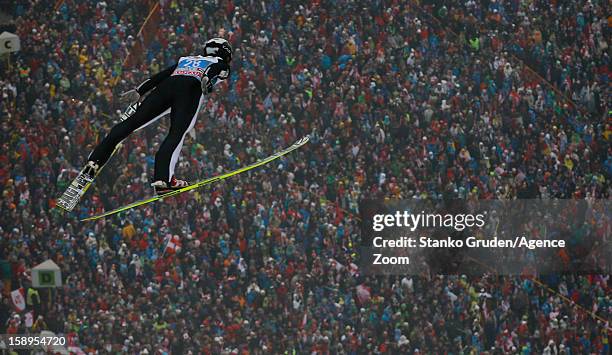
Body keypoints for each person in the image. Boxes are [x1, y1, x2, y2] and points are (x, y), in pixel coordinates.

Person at [85, 38, 232, 194]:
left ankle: (95, 160)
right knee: (176, 133)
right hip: (189, 89)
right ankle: (163, 179)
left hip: (166, 87)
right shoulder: (220, 62)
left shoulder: (187, 59)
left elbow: (162, 75)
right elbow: (217, 68)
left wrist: (139, 90)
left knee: (132, 122)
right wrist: (207, 78)